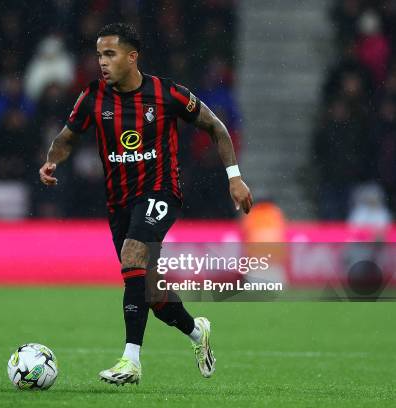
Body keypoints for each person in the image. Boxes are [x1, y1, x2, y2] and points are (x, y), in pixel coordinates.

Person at [38, 23, 253, 386]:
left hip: (161, 192)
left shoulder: (166, 94)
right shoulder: (93, 97)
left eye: (110, 54)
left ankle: (131, 361)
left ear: (132, 56)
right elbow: (67, 137)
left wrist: (234, 176)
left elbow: (216, 127)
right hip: (118, 201)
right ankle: (198, 332)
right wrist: (51, 160)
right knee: (150, 292)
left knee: (133, 257)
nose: (102, 63)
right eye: (99, 55)